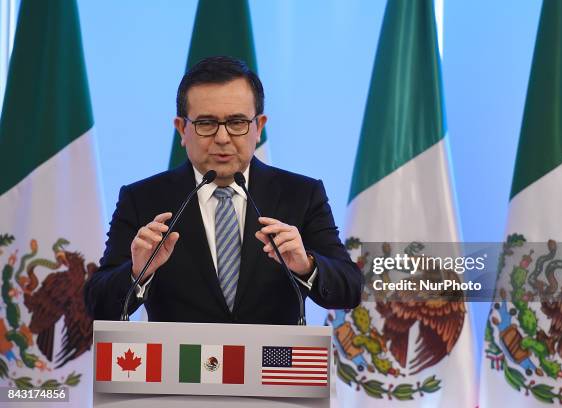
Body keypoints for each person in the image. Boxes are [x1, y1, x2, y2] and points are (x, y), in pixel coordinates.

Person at [84, 56, 363, 324]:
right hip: (181, 368)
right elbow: (97, 303)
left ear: (259, 127)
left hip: (271, 368)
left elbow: (351, 288)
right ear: (182, 129)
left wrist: (306, 265)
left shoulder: (301, 195)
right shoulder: (143, 199)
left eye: (237, 123)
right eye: (206, 123)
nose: (221, 137)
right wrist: (137, 273)